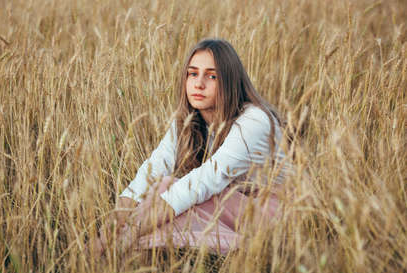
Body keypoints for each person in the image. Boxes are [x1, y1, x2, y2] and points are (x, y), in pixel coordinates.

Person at [98, 38, 290, 255]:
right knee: (162, 190)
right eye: (192, 73)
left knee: (167, 196)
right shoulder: (188, 120)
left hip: (271, 215)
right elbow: (153, 169)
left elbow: (206, 180)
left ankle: (124, 252)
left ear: (230, 81)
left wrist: (133, 229)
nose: (199, 84)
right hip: (230, 205)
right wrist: (110, 228)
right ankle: (120, 257)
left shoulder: (255, 121)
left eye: (212, 76)